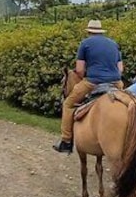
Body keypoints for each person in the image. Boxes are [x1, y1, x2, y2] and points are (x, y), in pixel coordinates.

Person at [53, 19, 124, 154]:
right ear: (101, 31)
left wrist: (88, 75)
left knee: (68, 104)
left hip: (93, 82)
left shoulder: (85, 43)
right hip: (116, 82)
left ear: (89, 31)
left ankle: (66, 141)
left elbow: (79, 70)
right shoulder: (114, 44)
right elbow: (120, 68)